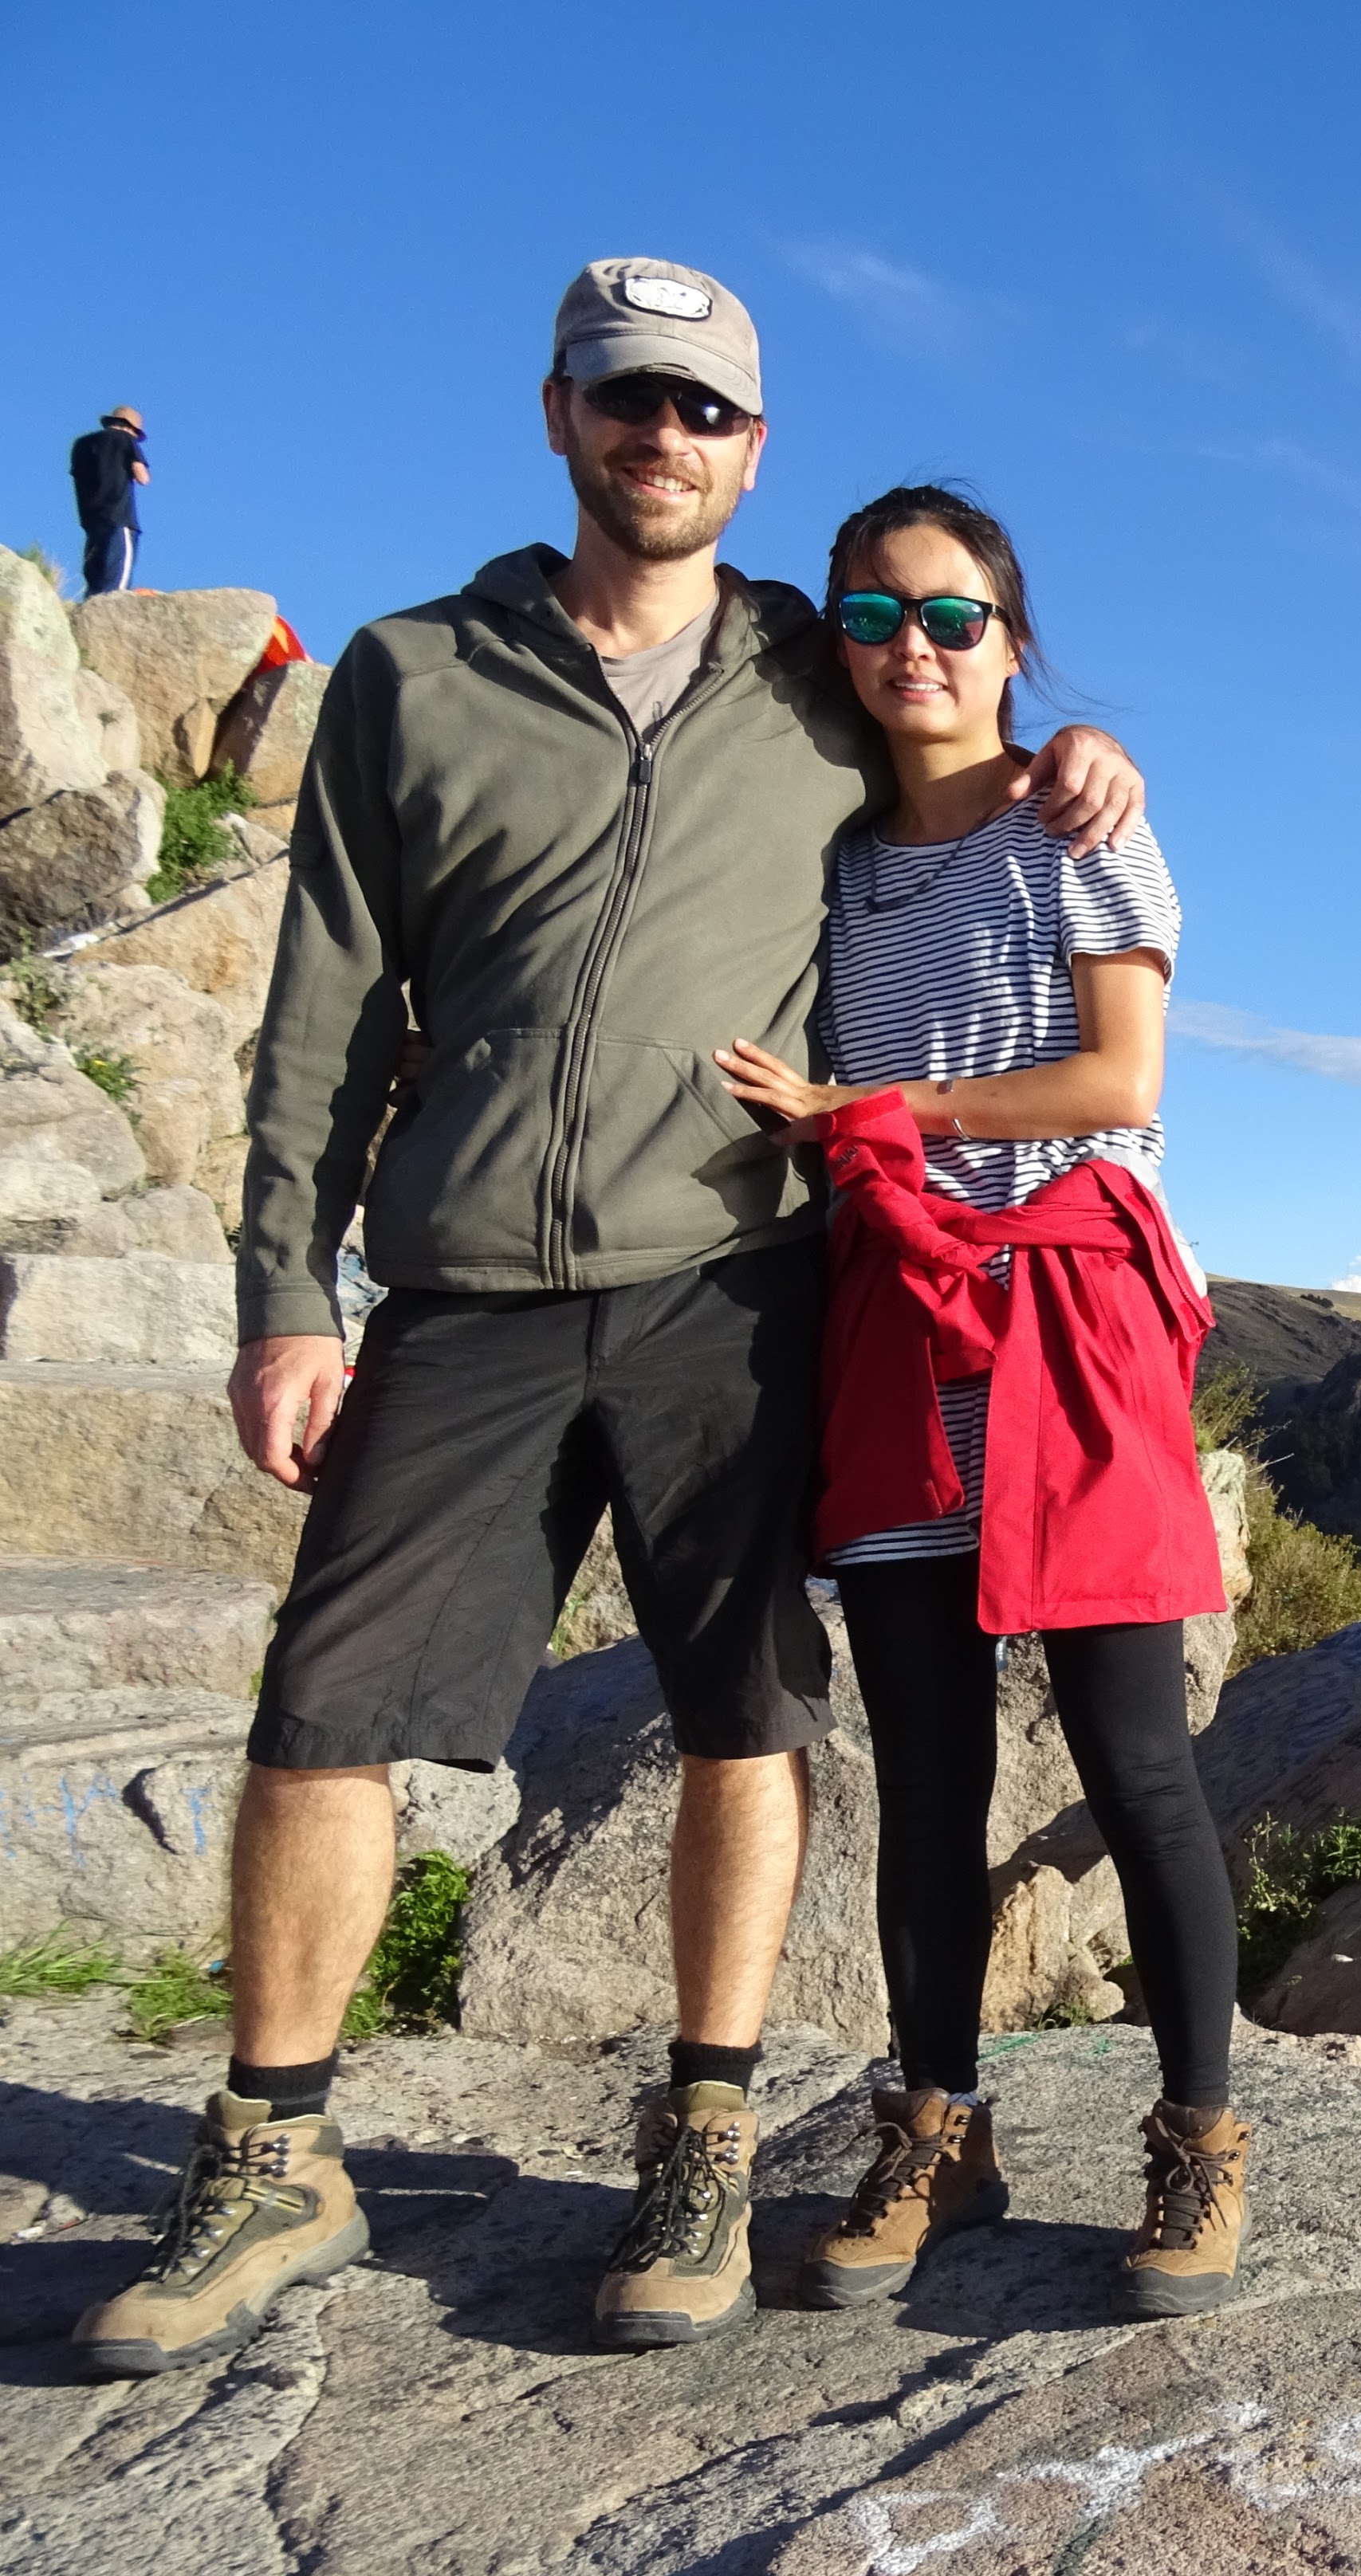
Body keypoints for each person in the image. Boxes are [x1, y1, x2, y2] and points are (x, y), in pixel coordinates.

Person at [70, 260, 1144, 2382]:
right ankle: (277, 2145)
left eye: (707, 411)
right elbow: (328, 1016)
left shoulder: (817, 673)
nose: (664, 435)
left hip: (730, 1283)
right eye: (625, 398)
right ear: (556, 416)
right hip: (462, 1285)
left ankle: (711, 2133)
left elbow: (964, 720)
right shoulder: (411, 672)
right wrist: (287, 1295)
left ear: (753, 448)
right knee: (323, 1713)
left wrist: (1077, 753)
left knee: (745, 1711)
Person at [714, 484, 1250, 2319]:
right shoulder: (834, 853)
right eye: (877, 613)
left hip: (1063, 1316)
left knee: (1134, 1753)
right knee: (925, 1772)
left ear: (1014, 643)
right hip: (893, 1325)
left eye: (954, 617)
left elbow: (1118, 1072)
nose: (914, 646)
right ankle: (938, 2128)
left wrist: (884, 1118)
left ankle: (1197, 2138)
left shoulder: (1074, 825)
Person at [69, 406, 148, 595]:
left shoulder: (81, 444)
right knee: (116, 586)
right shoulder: (125, 440)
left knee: (95, 581)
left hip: (91, 519)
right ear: (131, 429)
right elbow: (143, 478)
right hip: (119, 518)